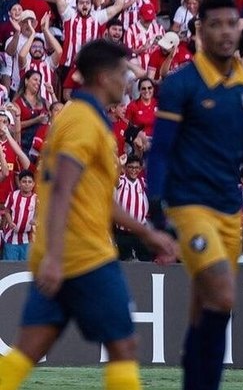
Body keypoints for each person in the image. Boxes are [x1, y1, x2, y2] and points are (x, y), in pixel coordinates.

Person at [0, 39, 177, 390]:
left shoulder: (80, 117)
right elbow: (64, 185)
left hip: (63, 254)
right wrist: (54, 254)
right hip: (84, 256)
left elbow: (93, 195)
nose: (127, 79)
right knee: (124, 345)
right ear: (103, 76)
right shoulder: (84, 121)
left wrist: (145, 232)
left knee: (29, 350)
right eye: (122, 72)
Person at [147, 0, 243, 390]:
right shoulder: (181, 84)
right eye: (217, 24)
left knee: (206, 308)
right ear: (200, 30)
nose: (226, 31)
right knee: (224, 296)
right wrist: (156, 205)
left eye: (233, 24)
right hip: (189, 206)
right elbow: (159, 150)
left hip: (230, 209)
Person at [114, 155, 151, 262]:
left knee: (146, 260)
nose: (134, 170)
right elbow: (114, 180)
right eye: (131, 167)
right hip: (123, 233)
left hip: (140, 231)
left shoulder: (142, 183)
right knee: (126, 261)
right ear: (125, 168)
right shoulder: (121, 181)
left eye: (136, 168)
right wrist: (119, 165)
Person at [2, 169, 36, 261]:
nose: (27, 184)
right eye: (24, 181)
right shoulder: (13, 195)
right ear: (19, 183)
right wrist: (10, 222)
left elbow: (39, 215)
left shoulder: (36, 199)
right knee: (10, 267)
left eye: (29, 182)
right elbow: (6, 210)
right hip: (11, 239)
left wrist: (35, 221)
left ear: (33, 184)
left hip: (27, 240)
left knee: (25, 269)